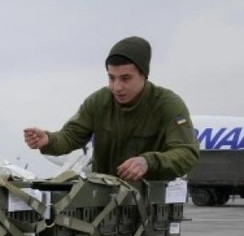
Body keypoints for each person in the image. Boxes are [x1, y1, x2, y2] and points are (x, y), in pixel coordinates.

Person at [23, 36, 198, 181]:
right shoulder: (99, 102)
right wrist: (49, 140)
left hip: (150, 199)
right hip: (105, 198)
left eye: (125, 79)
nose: (117, 87)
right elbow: (71, 136)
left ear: (144, 75)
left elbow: (187, 153)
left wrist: (148, 162)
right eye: (111, 78)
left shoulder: (168, 105)